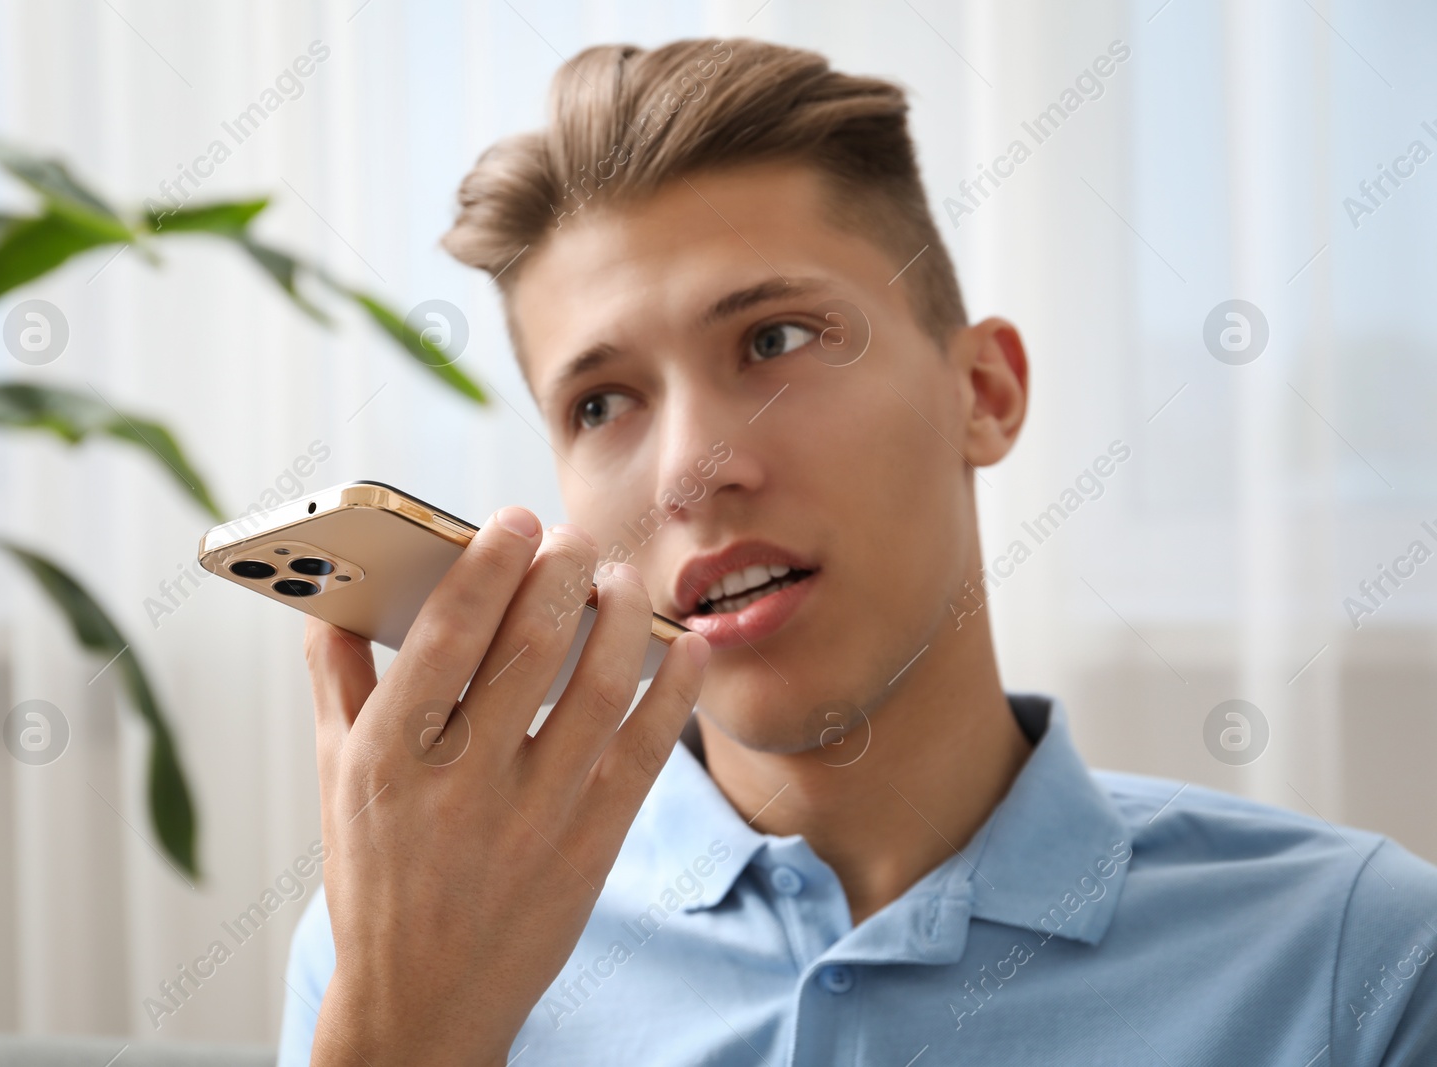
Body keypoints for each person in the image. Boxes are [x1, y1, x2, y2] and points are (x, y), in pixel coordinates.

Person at [278, 38, 1437, 1065]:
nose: (690, 470)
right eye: (600, 403)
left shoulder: (1361, 960)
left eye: (774, 338)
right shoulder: (406, 935)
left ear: (981, 391)